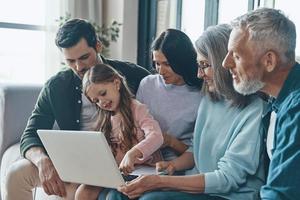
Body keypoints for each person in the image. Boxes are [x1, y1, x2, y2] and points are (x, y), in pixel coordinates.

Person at [109, 24, 266, 200]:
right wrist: (172, 166)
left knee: (150, 199)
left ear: (225, 64)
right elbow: (196, 149)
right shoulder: (210, 98)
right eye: (199, 65)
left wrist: (159, 182)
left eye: (205, 65)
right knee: (119, 194)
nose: (199, 74)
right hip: (199, 185)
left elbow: (226, 179)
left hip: (228, 195)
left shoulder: (254, 111)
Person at [3, 19, 149, 200]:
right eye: (70, 61)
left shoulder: (134, 76)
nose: (78, 67)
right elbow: (30, 134)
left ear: (98, 46)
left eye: (84, 57)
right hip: (77, 165)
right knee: (16, 174)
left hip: (122, 164)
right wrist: (42, 161)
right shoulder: (56, 86)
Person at [222, 8, 300, 200]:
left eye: (237, 56)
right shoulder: (276, 100)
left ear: (269, 61)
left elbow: (280, 195)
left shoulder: (296, 109)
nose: (225, 63)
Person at [73, 63, 163, 200]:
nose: (102, 103)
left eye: (103, 94)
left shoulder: (137, 109)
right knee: (82, 193)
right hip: (117, 174)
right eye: (96, 101)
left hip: (143, 172)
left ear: (116, 83)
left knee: (112, 197)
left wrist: (133, 153)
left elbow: (156, 136)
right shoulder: (105, 118)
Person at [136, 28, 203, 162]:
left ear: (182, 61)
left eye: (166, 64)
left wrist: (170, 142)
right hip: (142, 158)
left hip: (177, 164)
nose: (160, 71)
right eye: (157, 63)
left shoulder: (201, 96)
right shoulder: (147, 84)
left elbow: (200, 152)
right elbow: (135, 126)